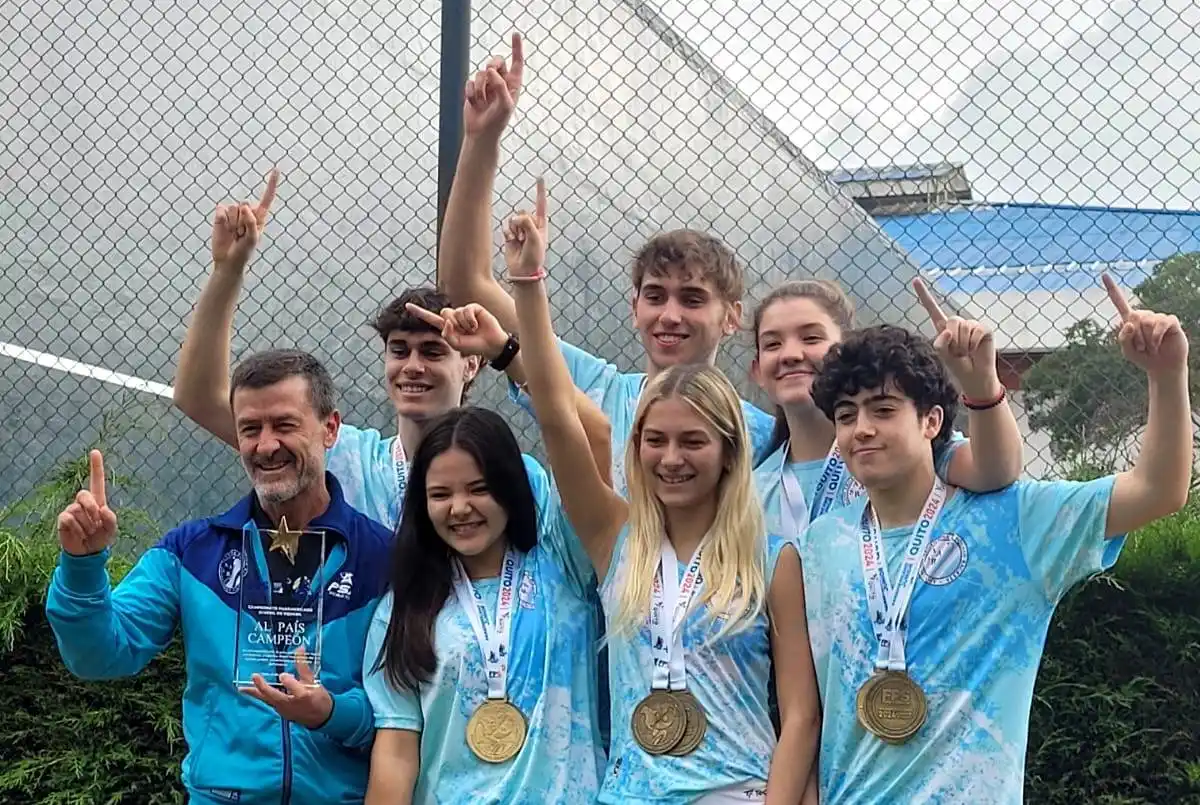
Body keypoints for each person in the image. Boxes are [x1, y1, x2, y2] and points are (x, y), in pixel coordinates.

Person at [800, 275, 1191, 803]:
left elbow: (1158, 491)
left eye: (884, 409)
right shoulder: (822, 541)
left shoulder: (1016, 522)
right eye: (846, 416)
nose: (861, 429)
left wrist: (1167, 377)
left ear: (931, 421)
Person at [502, 183, 820, 803]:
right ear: (636, 446)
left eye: (693, 442)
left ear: (732, 450)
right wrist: (529, 284)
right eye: (656, 440)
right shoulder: (613, 539)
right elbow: (558, 413)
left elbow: (802, 717)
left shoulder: (772, 557)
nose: (670, 459)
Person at [46, 350, 393, 804]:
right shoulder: (192, 552)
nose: (265, 445)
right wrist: (83, 567)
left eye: (284, 425)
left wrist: (331, 713)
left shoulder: (383, 558)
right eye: (250, 429)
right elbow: (100, 656)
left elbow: (407, 716)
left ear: (330, 429)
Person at [173, 172, 612, 530]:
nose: (412, 367)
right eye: (399, 350)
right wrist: (227, 272)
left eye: (433, 352)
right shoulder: (346, 457)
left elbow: (590, 441)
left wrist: (507, 349)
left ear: (472, 363)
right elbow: (198, 397)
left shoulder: (514, 476)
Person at [436, 34, 775, 495]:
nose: (670, 315)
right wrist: (482, 140)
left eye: (693, 299)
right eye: (655, 296)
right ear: (634, 306)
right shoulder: (598, 389)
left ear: (732, 316)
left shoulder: (765, 437)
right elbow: (467, 284)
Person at [361, 407, 606, 804]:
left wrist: (507, 354)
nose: (459, 508)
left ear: (510, 487)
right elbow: (396, 752)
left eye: (479, 489)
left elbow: (591, 434)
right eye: (440, 494)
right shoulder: (403, 608)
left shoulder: (564, 564)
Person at [750, 277, 1024, 538]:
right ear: (757, 370)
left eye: (811, 338)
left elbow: (996, 471)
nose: (790, 355)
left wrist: (981, 385)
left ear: (846, 350)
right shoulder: (751, 486)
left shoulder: (903, 450)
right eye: (772, 344)